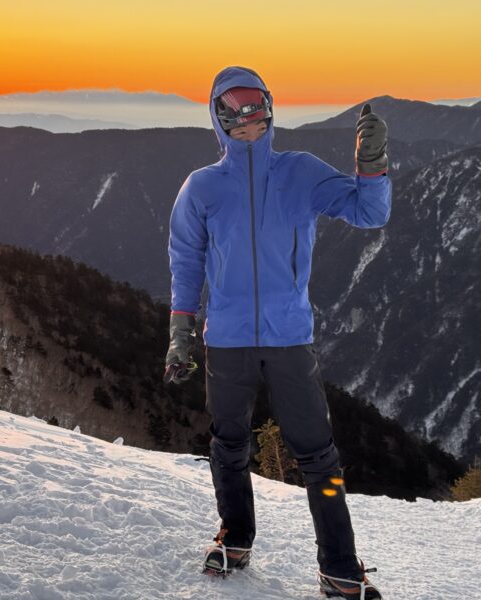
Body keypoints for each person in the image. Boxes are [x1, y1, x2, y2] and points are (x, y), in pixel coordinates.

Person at [164, 66, 391, 600]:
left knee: (318, 455)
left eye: (256, 111)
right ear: (219, 120)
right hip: (227, 339)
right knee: (229, 444)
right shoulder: (202, 187)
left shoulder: (301, 172)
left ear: (269, 110)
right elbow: (186, 262)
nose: (248, 123)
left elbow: (369, 213)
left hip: (289, 337)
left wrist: (373, 164)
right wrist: (180, 331)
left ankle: (339, 566)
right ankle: (235, 537)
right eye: (235, 114)